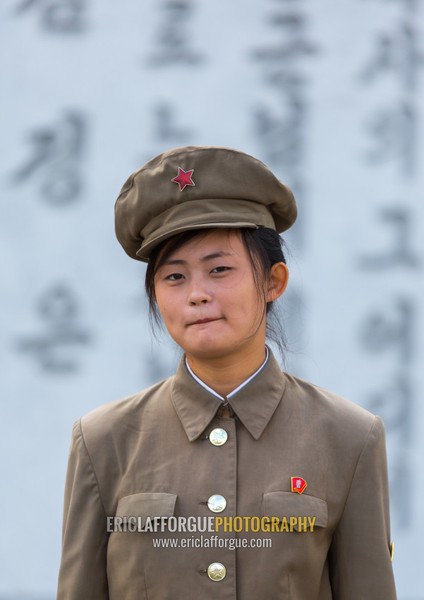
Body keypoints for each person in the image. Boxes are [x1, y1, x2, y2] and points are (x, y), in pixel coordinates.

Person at [57, 146, 397, 599]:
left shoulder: (349, 437)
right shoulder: (103, 441)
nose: (197, 294)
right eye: (174, 277)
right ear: (155, 295)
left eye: (219, 269)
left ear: (274, 281)